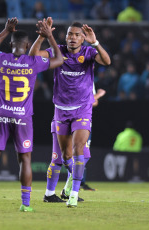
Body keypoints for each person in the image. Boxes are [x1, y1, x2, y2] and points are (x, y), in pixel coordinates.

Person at [0, 17, 63, 212]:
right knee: (25, 160)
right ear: (28, 45)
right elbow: (60, 59)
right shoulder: (33, 62)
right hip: (23, 118)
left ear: (11, 44)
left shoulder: (0, 58)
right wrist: (49, 37)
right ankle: (25, 204)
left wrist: (5, 30)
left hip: (1, 116)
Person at [29, 20, 111, 207]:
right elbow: (32, 56)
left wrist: (95, 42)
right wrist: (42, 36)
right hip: (61, 110)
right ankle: (63, 190)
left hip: (82, 110)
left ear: (83, 38)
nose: (72, 38)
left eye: (76, 35)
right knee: (65, 156)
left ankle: (73, 194)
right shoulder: (58, 51)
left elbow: (107, 61)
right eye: (69, 34)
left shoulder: (89, 52)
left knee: (79, 150)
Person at [43, 88, 106, 203]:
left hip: (76, 121)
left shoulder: (86, 76)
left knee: (84, 155)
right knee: (58, 159)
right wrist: (98, 95)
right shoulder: (73, 76)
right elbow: (90, 101)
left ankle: (67, 189)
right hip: (63, 120)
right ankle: (50, 194)